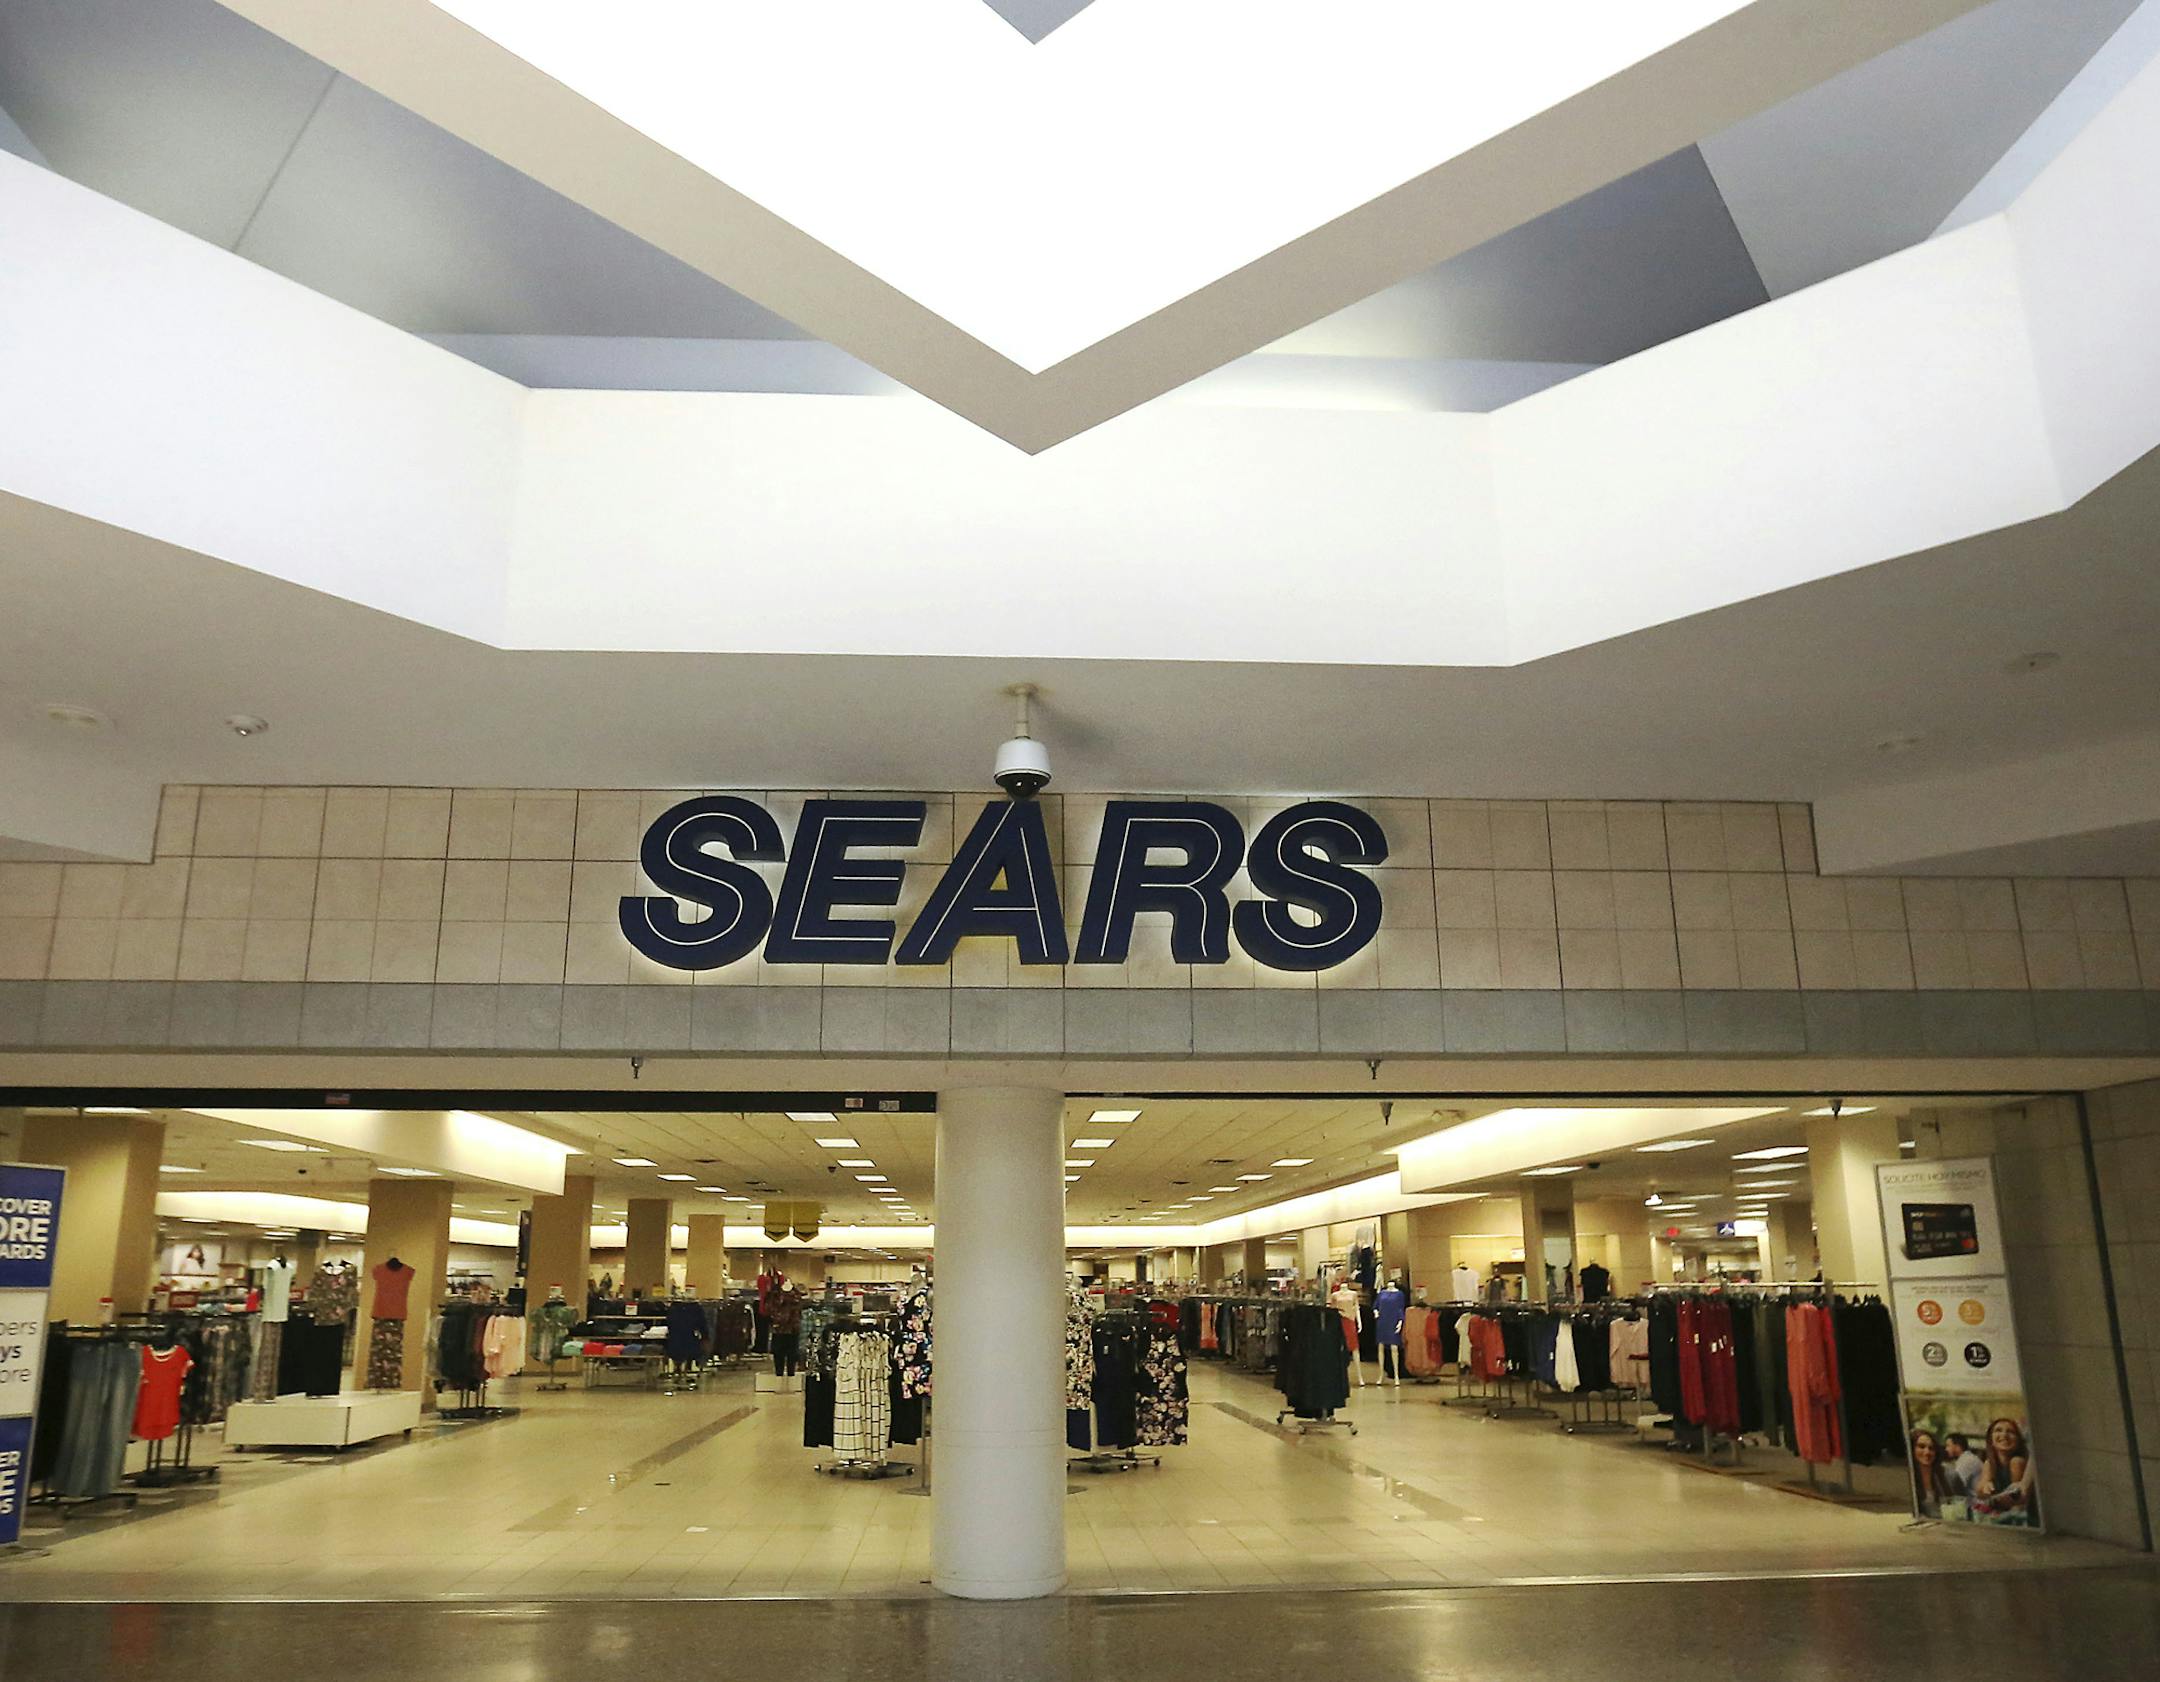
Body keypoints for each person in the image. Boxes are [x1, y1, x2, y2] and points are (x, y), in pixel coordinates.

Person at [1971, 1417, 2038, 1525]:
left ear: (2018, 1441)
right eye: (1998, 1430)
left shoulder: (2017, 1462)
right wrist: (1986, 1486)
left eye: (2011, 1432)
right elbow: (1980, 1492)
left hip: (2024, 1523)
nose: (2004, 1435)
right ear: (1991, 1440)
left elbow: (2018, 1505)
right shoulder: (1990, 1463)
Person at [1909, 1428, 1950, 1519]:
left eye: (1931, 1448)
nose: (1927, 1452)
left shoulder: (1943, 1475)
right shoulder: (1908, 1478)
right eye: (1921, 1446)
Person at [1942, 1431, 1982, 1497]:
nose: (1946, 1449)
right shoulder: (1965, 1458)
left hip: (1976, 1502)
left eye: (1948, 1445)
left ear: (1957, 1446)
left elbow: (1954, 1486)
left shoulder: (1967, 1460)